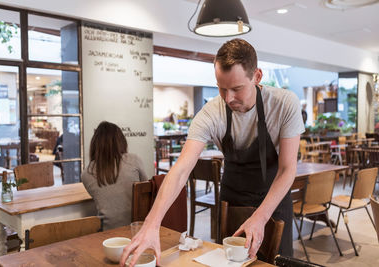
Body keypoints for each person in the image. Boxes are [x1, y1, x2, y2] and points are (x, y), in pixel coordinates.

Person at [121, 39, 304, 267]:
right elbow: (180, 170)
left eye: (237, 89)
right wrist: (152, 223)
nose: (228, 98)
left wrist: (260, 216)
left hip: (274, 200)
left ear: (257, 77)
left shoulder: (284, 104)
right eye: (221, 88)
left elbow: (288, 169)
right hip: (232, 199)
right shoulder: (211, 113)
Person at [82, 121, 147, 230]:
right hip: (137, 229)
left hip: (106, 233)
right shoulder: (134, 160)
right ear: (120, 140)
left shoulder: (86, 174)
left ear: (95, 144)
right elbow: (146, 189)